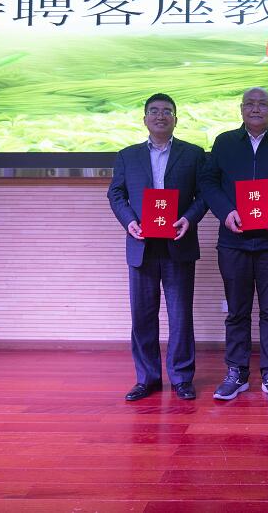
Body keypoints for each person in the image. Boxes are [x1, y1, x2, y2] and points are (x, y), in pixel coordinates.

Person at [199, 87, 268, 402]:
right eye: (250, 104)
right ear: (241, 109)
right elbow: (208, 181)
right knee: (237, 310)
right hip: (233, 240)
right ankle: (236, 372)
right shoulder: (224, 142)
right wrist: (225, 212)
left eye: (263, 104)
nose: (256, 109)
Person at [107, 93, 208, 401]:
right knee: (142, 316)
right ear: (145, 119)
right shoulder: (128, 156)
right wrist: (129, 222)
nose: (160, 116)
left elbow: (205, 194)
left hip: (178, 242)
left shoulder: (193, 154)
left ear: (176, 119)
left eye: (167, 111)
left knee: (180, 316)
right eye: (154, 111)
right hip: (142, 244)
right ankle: (147, 378)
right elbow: (116, 194)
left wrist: (188, 219)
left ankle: (181, 378)